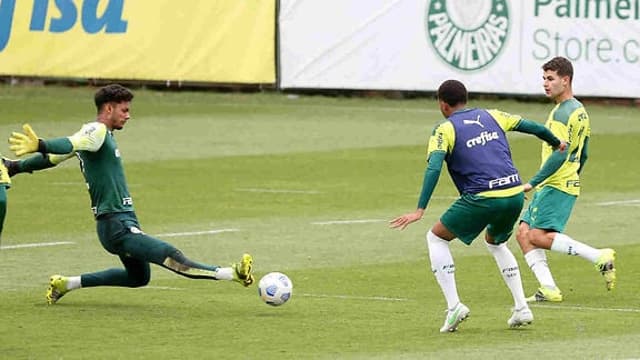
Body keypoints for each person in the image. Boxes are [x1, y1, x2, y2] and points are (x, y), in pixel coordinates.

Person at [6, 84, 254, 305]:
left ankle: (66, 283)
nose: (128, 115)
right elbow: (64, 146)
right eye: (124, 110)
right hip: (116, 226)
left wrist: (15, 167)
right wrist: (41, 144)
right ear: (109, 108)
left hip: (120, 222)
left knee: (138, 277)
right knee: (171, 256)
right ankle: (233, 273)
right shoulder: (97, 131)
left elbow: (52, 159)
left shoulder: (95, 140)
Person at [390, 79, 566, 333]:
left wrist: (420, 209)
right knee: (496, 242)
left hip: (483, 196)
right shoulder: (492, 115)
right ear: (466, 98)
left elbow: (433, 167)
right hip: (515, 193)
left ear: (442, 104)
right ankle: (521, 307)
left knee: (436, 238)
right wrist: (554, 142)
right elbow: (532, 126)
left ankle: (454, 307)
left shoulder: (445, 129)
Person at [515, 57, 616, 303]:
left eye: (550, 79)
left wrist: (534, 182)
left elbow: (560, 152)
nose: (545, 84)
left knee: (537, 236)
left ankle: (598, 256)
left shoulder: (562, 115)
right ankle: (548, 287)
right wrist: (574, 175)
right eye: (544, 79)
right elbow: (586, 151)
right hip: (563, 181)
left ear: (565, 80)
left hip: (556, 182)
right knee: (523, 232)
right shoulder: (579, 110)